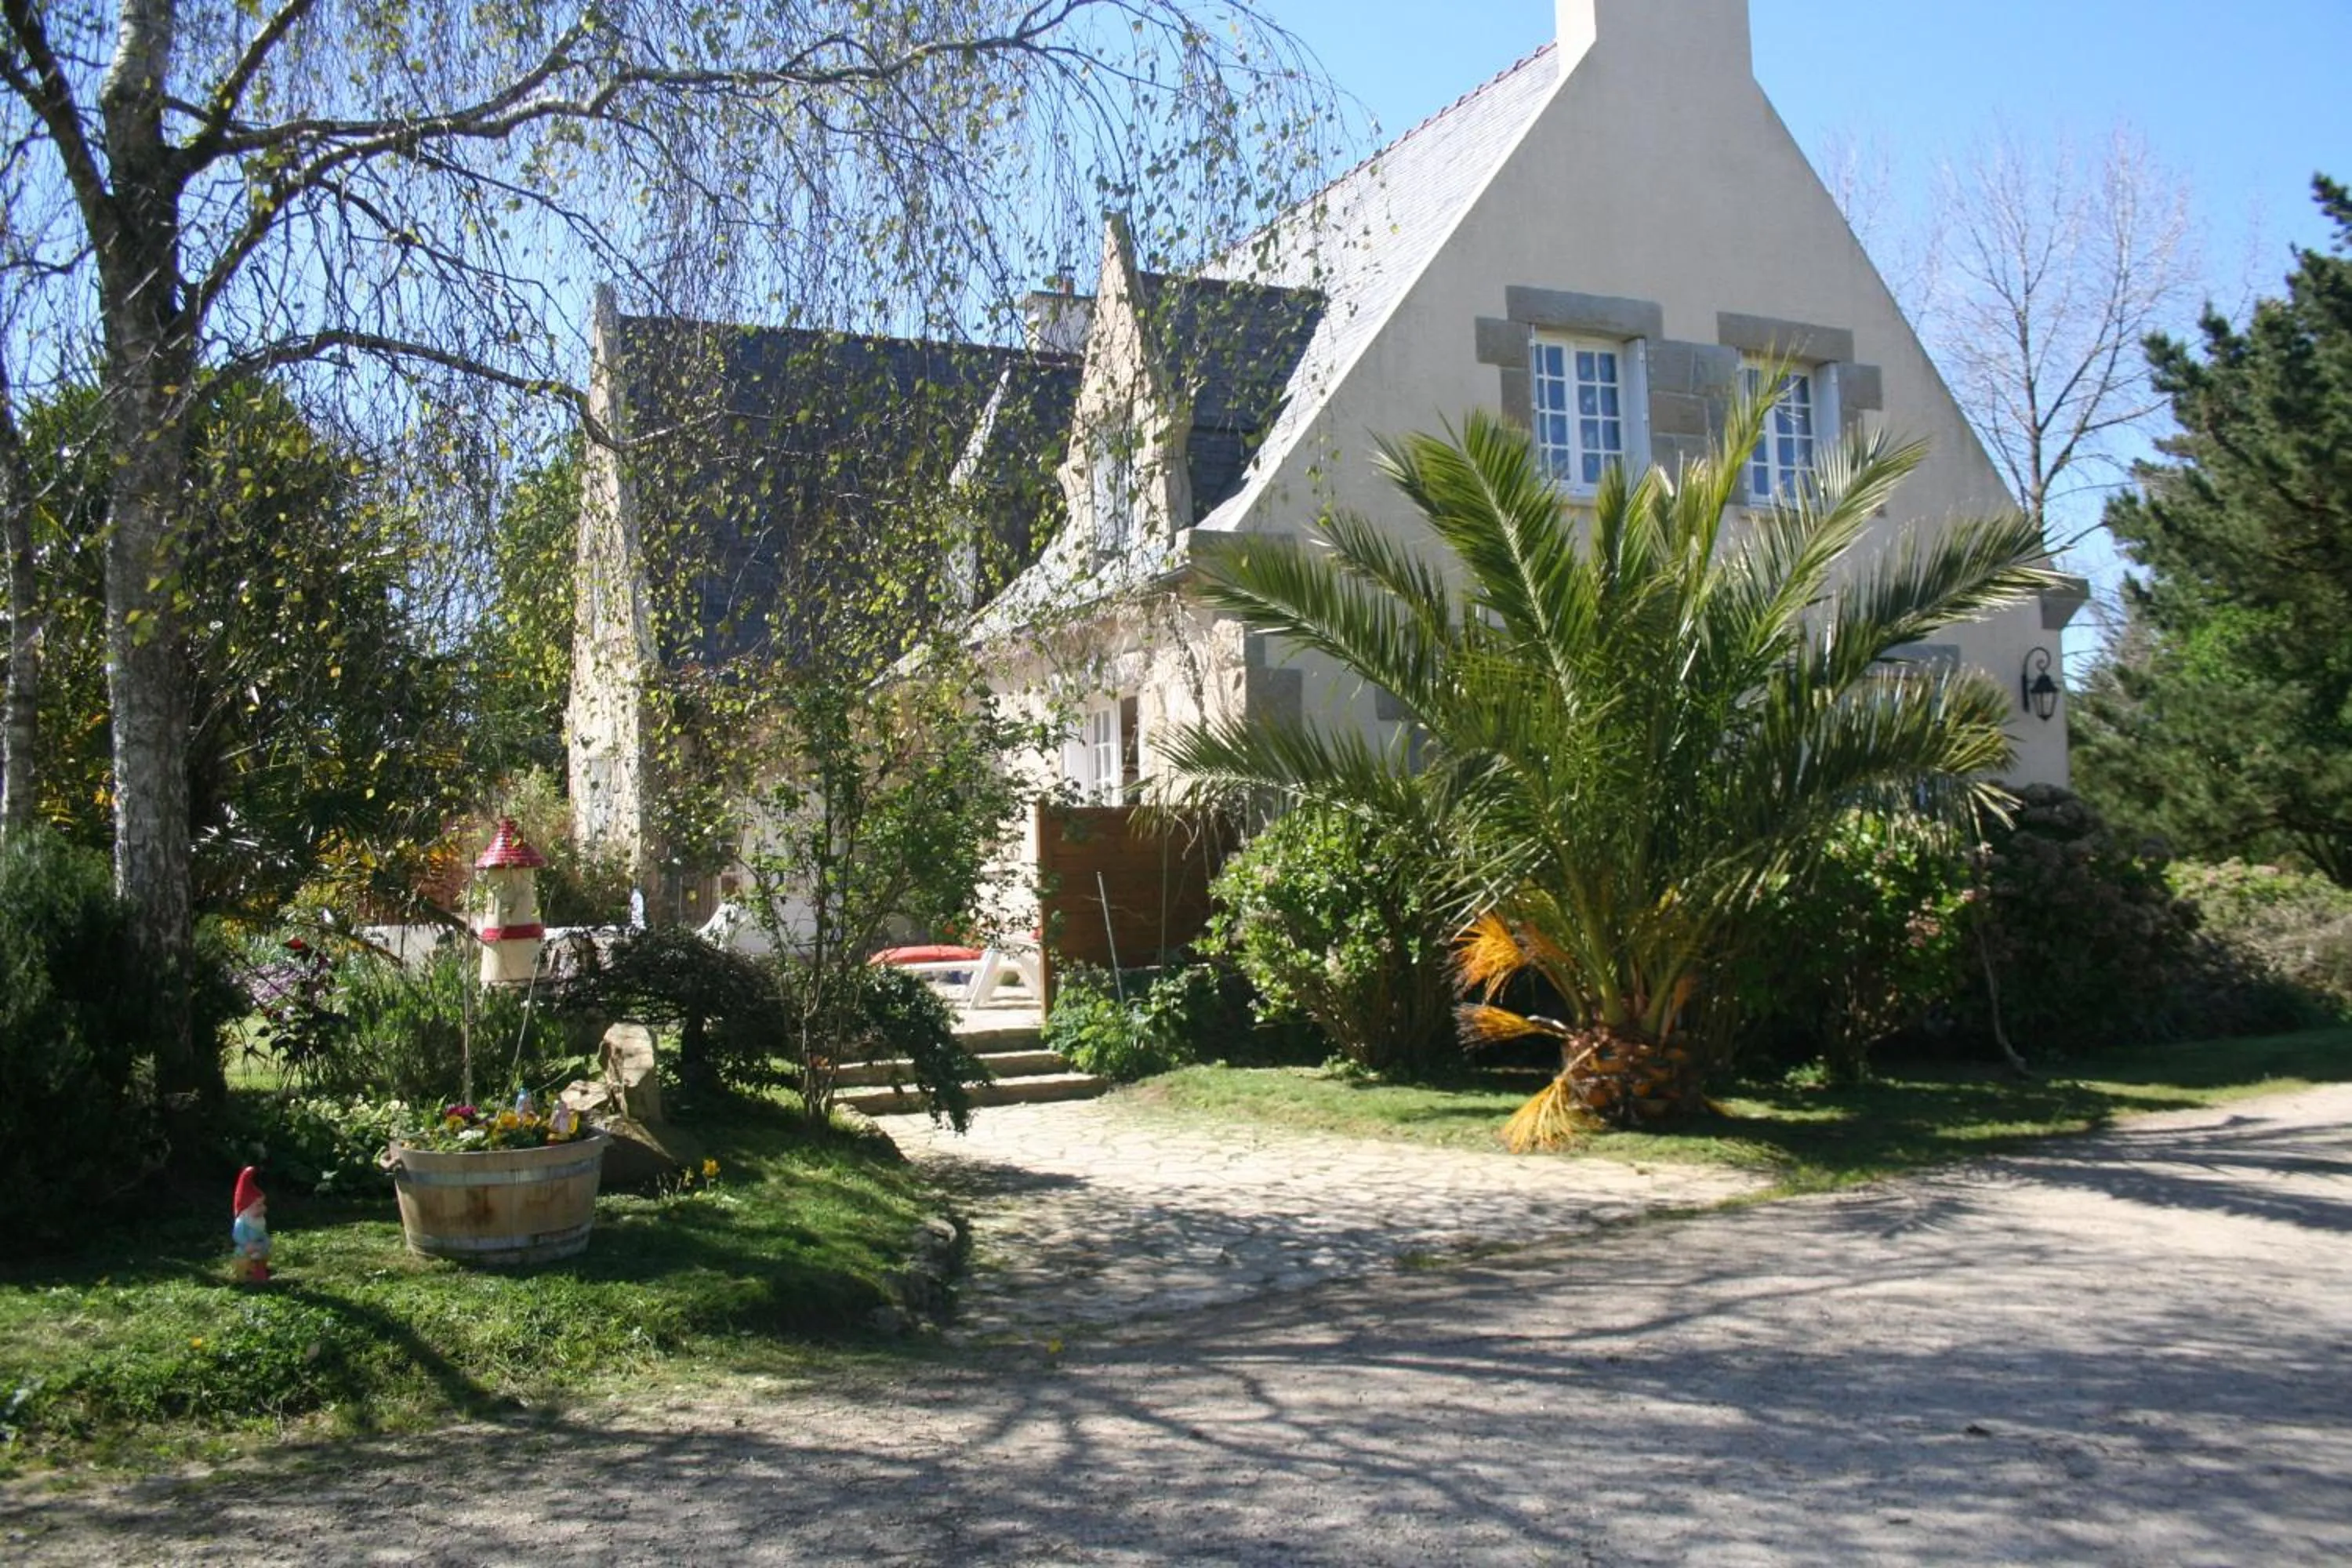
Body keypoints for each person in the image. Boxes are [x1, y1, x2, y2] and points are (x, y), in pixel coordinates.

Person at [230, 1167, 273, 1284]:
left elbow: (262, 1233)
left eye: (263, 1205)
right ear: (246, 1208)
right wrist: (247, 1244)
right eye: (258, 1206)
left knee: (260, 1259)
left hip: (258, 1247)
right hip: (246, 1250)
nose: (263, 1209)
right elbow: (237, 1235)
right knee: (246, 1261)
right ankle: (244, 1276)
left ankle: (260, 1274)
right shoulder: (243, 1221)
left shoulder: (259, 1221)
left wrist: (265, 1241)